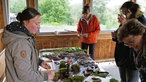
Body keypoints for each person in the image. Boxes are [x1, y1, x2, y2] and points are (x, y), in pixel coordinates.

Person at [2, 7, 51, 82]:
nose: (39, 27)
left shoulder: (25, 36)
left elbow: (26, 59)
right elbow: (25, 76)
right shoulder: (20, 43)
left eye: (39, 23)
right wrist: (47, 75)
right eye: (36, 23)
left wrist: (40, 62)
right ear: (25, 22)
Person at [111, 1, 146, 82]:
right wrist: (115, 37)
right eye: (122, 12)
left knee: (131, 79)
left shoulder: (141, 20)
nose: (123, 14)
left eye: (125, 12)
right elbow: (122, 36)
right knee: (123, 79)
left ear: (131, 11)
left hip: (132, 58)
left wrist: (124, 23)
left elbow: (138, 34)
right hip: (122, 56)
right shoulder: (127, 20)